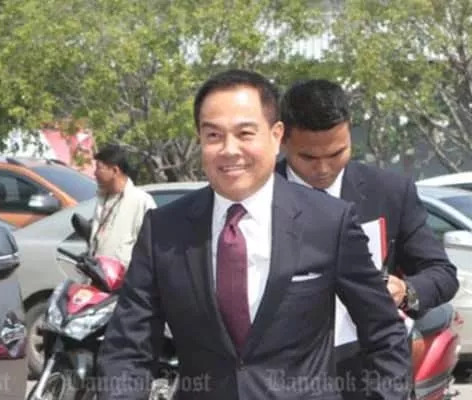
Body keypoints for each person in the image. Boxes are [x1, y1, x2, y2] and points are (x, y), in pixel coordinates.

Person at [94, 69, 412, 400]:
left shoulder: (329, 222)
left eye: (245, 133)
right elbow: (127, 348)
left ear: (276, 136)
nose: (229, 149)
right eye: (214, 136)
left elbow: (384, 331)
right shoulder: (164, 229)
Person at [277, 78, 459, 399]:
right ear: (281, 139)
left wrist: (405, 291)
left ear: (350, 130)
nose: (323, 169)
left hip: (371, 372)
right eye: (308, 157)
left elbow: (442, 273)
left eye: (337, 153)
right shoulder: (257, 197)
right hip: (281, 372)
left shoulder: (389, 191)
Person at [89, 143, 156, 267]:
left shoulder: (141, 201)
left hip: (127, 276)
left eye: (99, 168)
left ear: (115, 170)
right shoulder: (102, 199)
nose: (95, 173)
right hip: (99, 273)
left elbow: (150, 247)